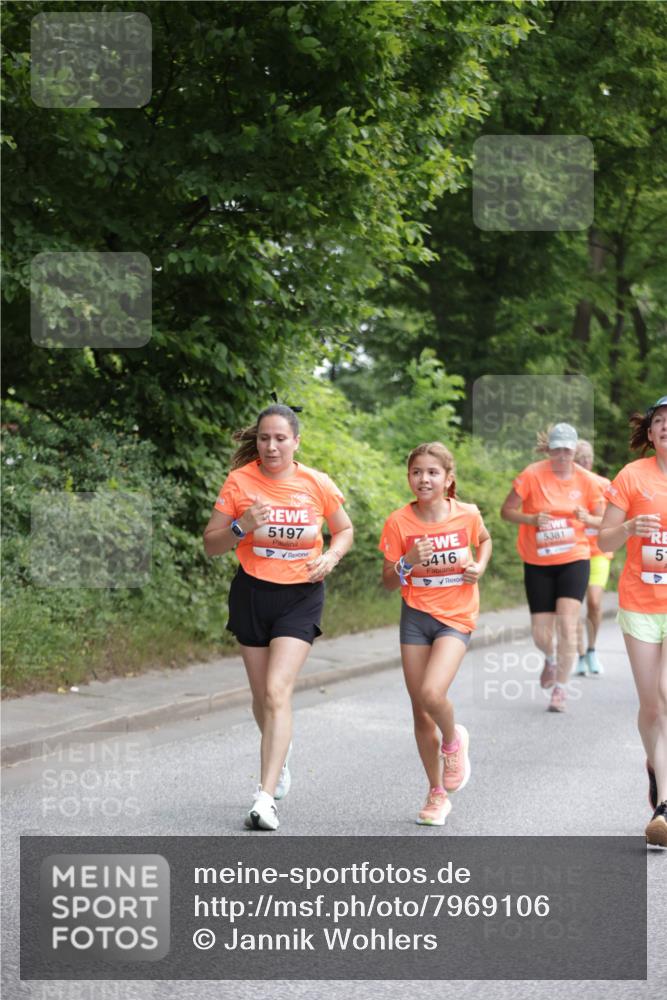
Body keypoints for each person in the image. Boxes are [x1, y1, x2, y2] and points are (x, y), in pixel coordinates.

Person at [203, 403, 353, 831]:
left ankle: (264, 798)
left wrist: (332, 555)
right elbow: (211, 545)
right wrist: (241, 526)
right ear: (258, 439)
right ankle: (280, 753)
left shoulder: (315, 483)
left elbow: (344, 529)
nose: (272, 446)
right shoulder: (239, 481)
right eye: (265, 438)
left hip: (301, 596)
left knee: (276, 690)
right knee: (261, 698)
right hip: (252, 594)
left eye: (281, 438)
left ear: (296, 441)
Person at [379, 442, 492, 826]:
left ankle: (453, 740)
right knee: (419, 709)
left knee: (432, 694)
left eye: (432, 472)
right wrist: (406, 562)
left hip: (456, 617)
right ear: (409, 477)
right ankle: (436, 792)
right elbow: (387, 583)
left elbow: (486, 540)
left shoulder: (467, 514)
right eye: (416, 472)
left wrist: (479, 565)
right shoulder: (399, 522)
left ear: (448, 478)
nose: (423, 479)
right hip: (415, 617)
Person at [599, 395, 667, 847]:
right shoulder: (631, 476)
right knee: (652, 704)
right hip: (640, 602)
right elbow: (602, 540)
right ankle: (656, 766)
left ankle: (663, 804)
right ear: (649, 432)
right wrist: (628, 530)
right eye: (660, 421)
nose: (666, 427)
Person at [500, 423, 605, 713]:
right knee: (540, 633)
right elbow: (506, 512)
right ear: (548, 449)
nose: (562, 455)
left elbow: (604, 521)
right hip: (538, 562)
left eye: (567, 450)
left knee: (568, 625)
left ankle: (560, 688)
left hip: (575, 558)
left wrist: (587, 518)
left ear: (574, 451)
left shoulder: (587, 481)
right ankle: (550, 658)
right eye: (556, 449)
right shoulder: (532, 475)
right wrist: (531, 520)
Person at [573, 439, 614, 677]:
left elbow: (613, 520)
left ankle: (591, 649)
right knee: (573, 606)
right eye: (580, 460)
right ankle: (579, 655)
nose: (584, 464)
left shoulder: (603, 484)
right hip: (574, 551)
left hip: (598, 551)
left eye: (587, 459)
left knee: (595, 602)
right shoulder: (565, 486)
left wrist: (589, 519)